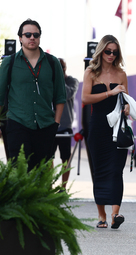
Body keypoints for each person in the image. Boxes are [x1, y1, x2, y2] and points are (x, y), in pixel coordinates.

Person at [0, 19, 65, 171]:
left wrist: (55, 124)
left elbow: (60, 97)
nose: (32, 38)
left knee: (41, 175)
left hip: (46, 126)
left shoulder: (52, 62)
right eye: (27, 34)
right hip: (17, 124)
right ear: (20, 38)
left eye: (36, 35)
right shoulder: (9, 63)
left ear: (39, 37)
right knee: (19, 174)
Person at [82, 35, 129, 229]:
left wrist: (126, 107)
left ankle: (115, 214)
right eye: (108, 51)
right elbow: (85, 98)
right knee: (99, 170)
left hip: (117, 126)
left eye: (115, 52)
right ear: (101, 51)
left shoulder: (121, 73)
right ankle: (101, 215)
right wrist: (109, 93)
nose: (111, 55)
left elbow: (126, 100)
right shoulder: (91, 72)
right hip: (99, 126)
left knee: (116, 170)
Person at [52, 58, 79, 190]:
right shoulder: (49, 81)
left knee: (65, 159)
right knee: (48, 158)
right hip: (50, 125)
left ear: (65, 68)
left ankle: (63, 187)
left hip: (65, 126)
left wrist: (57, 79)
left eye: (61, 67)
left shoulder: (72, 81)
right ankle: (48, 185)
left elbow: (67, 93)